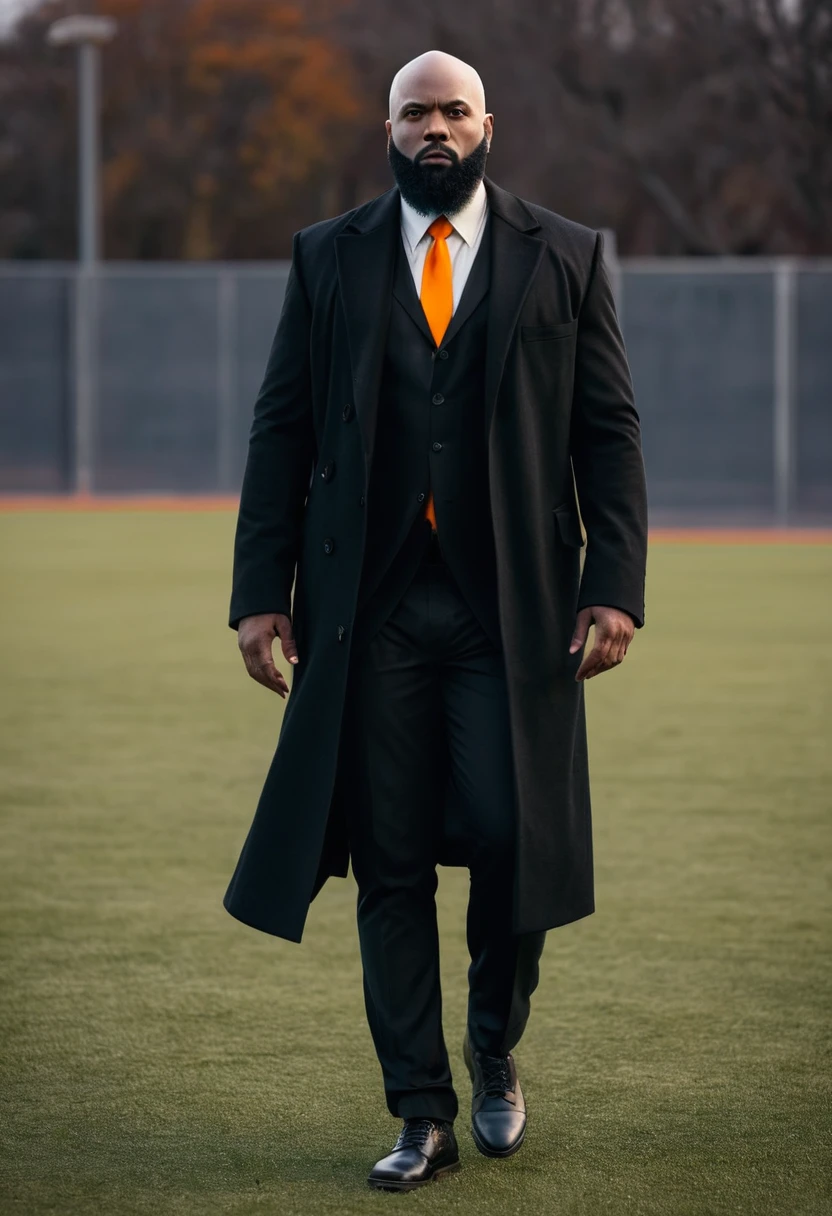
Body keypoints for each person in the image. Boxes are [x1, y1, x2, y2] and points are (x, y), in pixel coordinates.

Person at [224, 49, 648, 1192]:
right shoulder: (328, 258)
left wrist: (613, 580)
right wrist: (260, 591)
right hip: (368, 612)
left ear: (487, 126)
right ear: (388, 128)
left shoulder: (565, 255)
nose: (435, 128)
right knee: (391, 861)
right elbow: (282, 428)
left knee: (517, 840)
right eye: (416, 112)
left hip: (513, 612)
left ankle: (494, 1045)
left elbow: (606, 432)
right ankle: (420, 1110)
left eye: (454, 110)